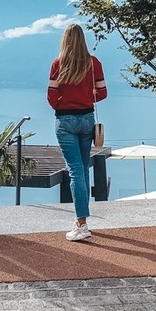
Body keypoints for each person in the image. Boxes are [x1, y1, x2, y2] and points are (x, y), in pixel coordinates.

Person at [48, 23, 107, 241]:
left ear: (65, 40)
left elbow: (51, 95)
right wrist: (87, 98)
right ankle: (82, 221)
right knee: (83, 169)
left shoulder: (58, 64)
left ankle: (81, 224)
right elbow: (103, 92)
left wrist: (63, 104)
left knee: (74, 171)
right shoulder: (93, 63)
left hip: (65, 120)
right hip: (87, 119)